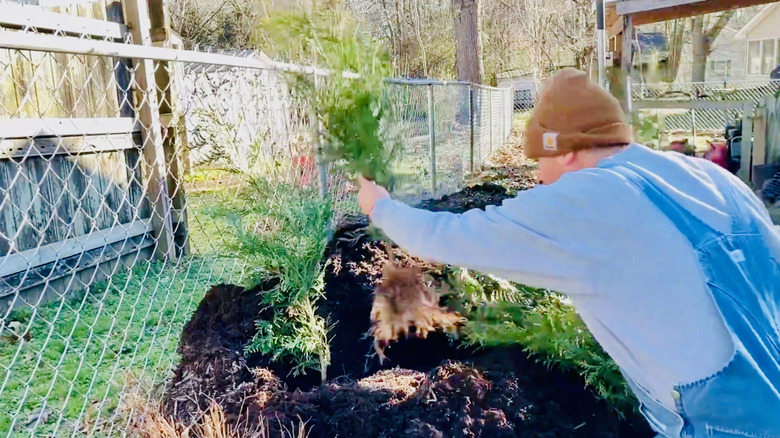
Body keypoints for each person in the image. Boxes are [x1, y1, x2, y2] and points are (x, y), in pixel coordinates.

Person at [357, 68, 780, 438]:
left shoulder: (596, 196)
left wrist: (380, 206)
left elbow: (451, 236)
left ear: (568, 149)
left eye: (540, 160)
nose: (538, 178)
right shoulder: (709, 177)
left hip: (722, 424)